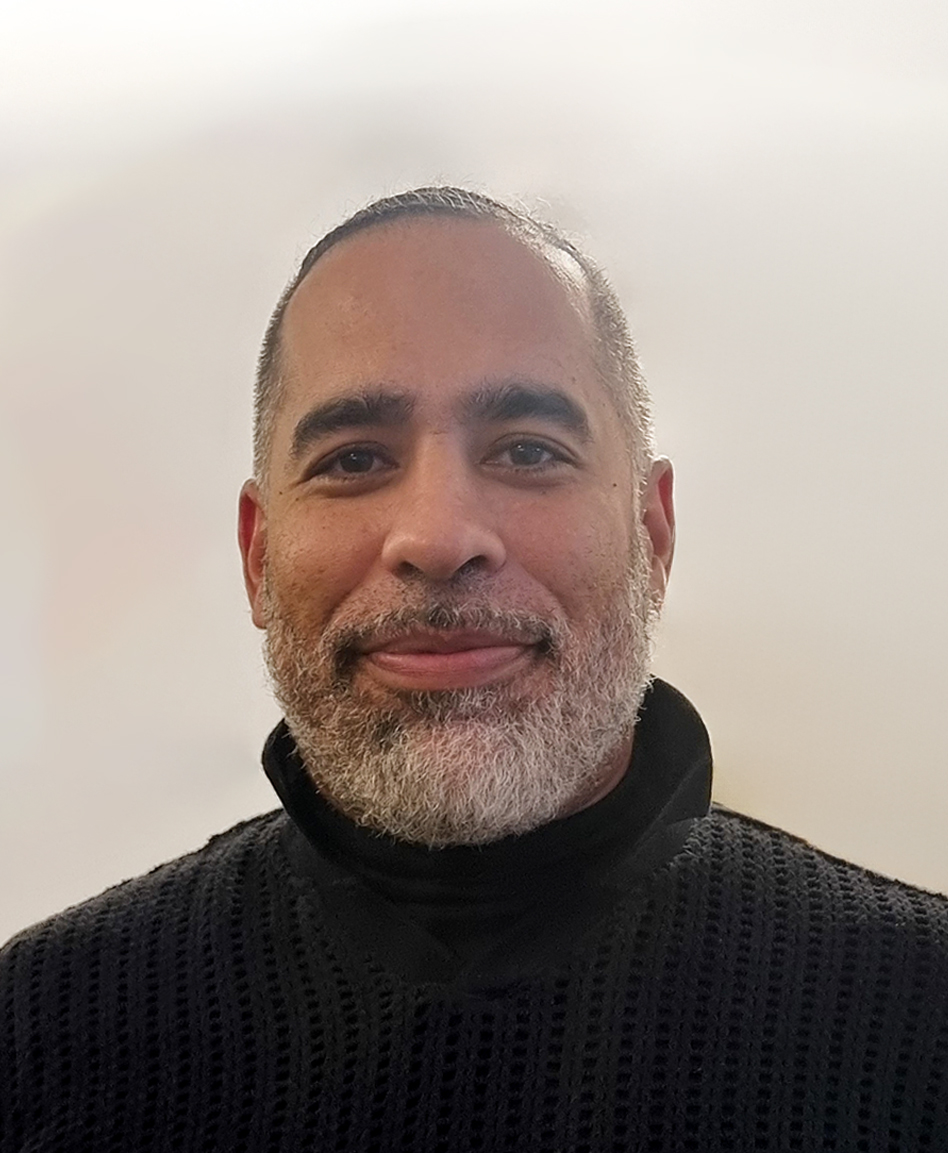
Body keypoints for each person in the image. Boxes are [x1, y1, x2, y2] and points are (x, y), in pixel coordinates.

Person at [2, 187, 946, 1152]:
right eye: (354, 460)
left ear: (652, 533)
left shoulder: (921, 1019)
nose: (440, 536)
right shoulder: (37, 1034)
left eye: (529, 450)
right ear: (258, 554)